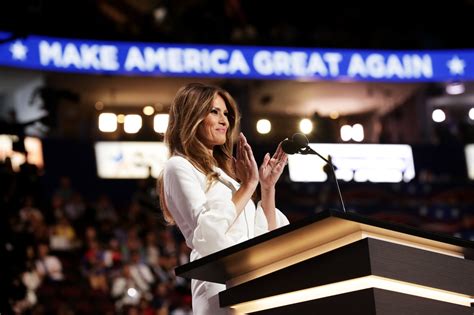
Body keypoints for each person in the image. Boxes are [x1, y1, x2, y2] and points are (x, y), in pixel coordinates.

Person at [158, 83, 289, 314]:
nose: (224, 121)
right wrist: (249, 185)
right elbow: (207, 234)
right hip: (218, 285)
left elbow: (263, 238)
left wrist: (267, 188)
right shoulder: (178, 167)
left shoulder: (229, 177)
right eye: (214, 111)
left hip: (253, 283)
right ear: (192, 116)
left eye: (226, 114)